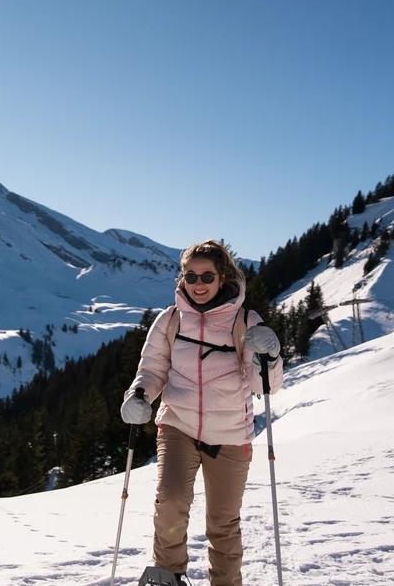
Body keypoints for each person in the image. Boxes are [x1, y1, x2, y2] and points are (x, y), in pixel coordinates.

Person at [121, 239, 285, 586]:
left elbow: (262, 385)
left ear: (222, 277)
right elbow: (151, 370)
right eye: (190, 277)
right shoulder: (170, 320)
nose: (198, 285)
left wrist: (269, 355)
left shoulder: (244, 321)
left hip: (230, 434)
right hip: (178, 424)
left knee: (223, 522)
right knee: (171, 499)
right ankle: (169, 575)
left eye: (206, 277)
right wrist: (139, 397)